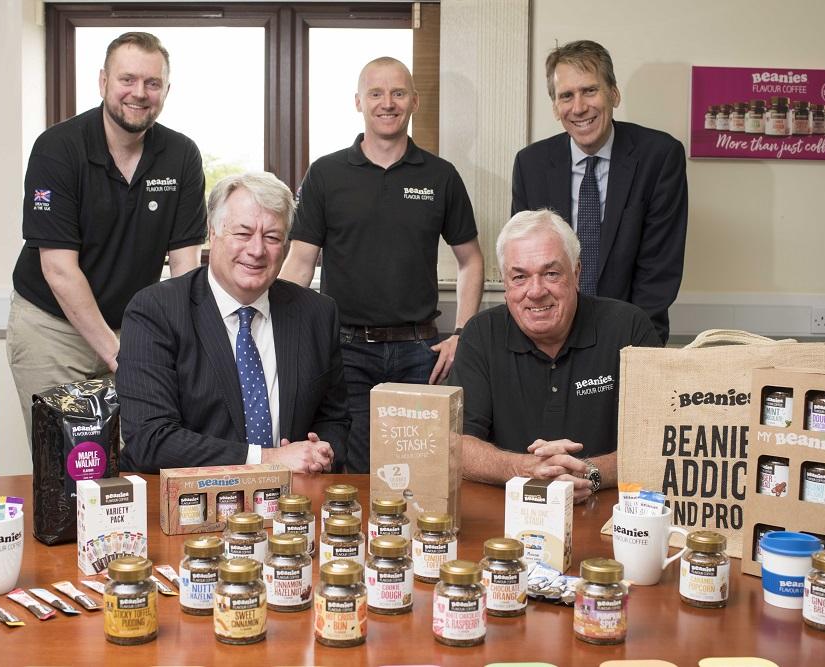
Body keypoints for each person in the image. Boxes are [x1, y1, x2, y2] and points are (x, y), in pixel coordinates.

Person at [280, 56, 484, 473]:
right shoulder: (326, 173)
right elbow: (299, 263)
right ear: (359, 101)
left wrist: (463, 332)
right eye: (376, 93)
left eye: (398, 93)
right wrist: (280, 332)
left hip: (420, 354)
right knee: (351, 468)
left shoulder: (441, 176)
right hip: (345, 351)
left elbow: (471, 260)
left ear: (415, 101)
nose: (387, 103)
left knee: (421, 471)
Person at [7, 32, 207, 440]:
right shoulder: (57, 149)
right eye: (127, 79)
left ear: (166, 90)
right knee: (70, 463)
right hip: (54, 329)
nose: (139, 93)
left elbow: (186, 265)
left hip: (132, 327)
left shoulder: (181, 155)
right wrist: (121, 356)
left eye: (152, 83)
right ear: (103, 82)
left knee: (136, 453)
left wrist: (182, 347)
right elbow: (59, 270)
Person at [116, 172, 350, 474]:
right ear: (212, 233)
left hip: (292, 502)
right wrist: (267, 460)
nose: (256, 250)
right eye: (243, 233)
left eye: (272, 237)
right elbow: (149, 440)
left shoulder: (317, 313)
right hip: (187, 505)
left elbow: (335, 418)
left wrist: (321, 451)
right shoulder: (156, 311)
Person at [449, 209, 662, 502]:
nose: (535, 292)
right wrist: (524, 469)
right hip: (507, 511)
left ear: (576, 274)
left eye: (551, 273)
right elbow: (456, 444)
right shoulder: (480, 335)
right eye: (520, 277)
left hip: (610, 511)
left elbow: (659, 443)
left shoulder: (629, 328)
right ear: (506, 284)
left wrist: (590, 473)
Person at [510, 40, 687, 344]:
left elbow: (659, 269)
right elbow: (526, 263)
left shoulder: (659, 157)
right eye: (566, 96)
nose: (579, 108)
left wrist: (632, 346)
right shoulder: (531, 164)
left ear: (614, 94)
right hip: (550, 337)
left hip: (632, 333)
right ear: (555, 107)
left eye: (589, 91)